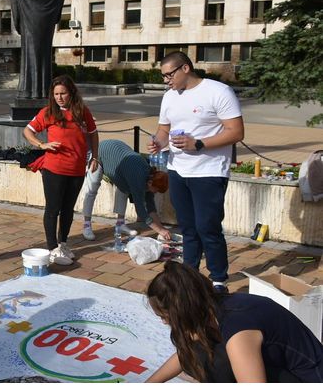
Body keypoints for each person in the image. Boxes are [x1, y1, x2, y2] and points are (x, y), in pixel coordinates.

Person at [148, 51, 244, 293]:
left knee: (207, 227)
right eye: (163, 76)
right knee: (188, 228)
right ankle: (189, 275)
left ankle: (218, 279)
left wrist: (198, 144)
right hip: (178, 169)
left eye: (169, 74)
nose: (166, 80)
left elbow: (236, 131)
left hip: (209, 171)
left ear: (185, 68)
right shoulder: (169, 96)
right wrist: (158, 142)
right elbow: (163, 129)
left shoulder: (218, 91)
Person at [146, 261, 323, 383]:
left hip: (309, 378)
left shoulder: (238, 332)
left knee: (215, 361)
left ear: (185, 312)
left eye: (166, 318)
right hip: (284, 368)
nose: (164, 323)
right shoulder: (212, 306)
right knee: (198, 349)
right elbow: (184, 353)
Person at [23, 74, 99, 266]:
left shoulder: (83, 112)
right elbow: (28, 131)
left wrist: (95, 157)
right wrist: (42, 144)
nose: (59, 97)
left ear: (71, 93)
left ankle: (63, 243)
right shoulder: (48, 112)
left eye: (63, 93)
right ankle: (52, 248)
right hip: (53, 170)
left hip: (77, 170)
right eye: (56, 93)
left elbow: (93, 134)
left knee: (68, 210)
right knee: (53, 209)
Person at [81, 139, 172, 241]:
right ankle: (87, 225)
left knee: (123, 188)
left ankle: (120, 224)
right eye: (156, 190)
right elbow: (141, 211)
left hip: (120, 159)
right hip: (101, 153)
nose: (155, 193)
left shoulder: (150, 177)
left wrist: (162, 228)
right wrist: (160, 230)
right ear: (151, 183)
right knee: (92, 189)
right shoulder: (138, 179)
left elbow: (150, 207)